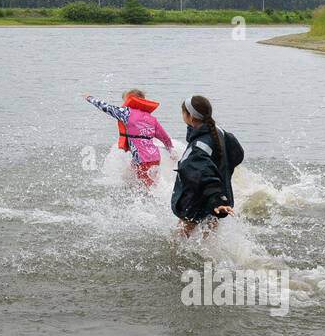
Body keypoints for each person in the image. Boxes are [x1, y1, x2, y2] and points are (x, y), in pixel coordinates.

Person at [172, 95, 244, 234]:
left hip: (200, 198)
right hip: (220, 195)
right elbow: (237, 154)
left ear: (191, 118)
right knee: (210, 239)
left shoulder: (198, 147)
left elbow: (201, 171)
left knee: (179, 239)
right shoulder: (220, 132)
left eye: (183, 112)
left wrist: (215, 198)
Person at [83, 90, 174, 186]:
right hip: (154, 157)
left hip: (143, 160)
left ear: (130, 100)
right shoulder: (151, 118)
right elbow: (165, 137)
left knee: (147, 189)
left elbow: (106, 107)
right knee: (144, 182)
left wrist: (90, 98)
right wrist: (171, 150)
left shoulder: (126, 113)